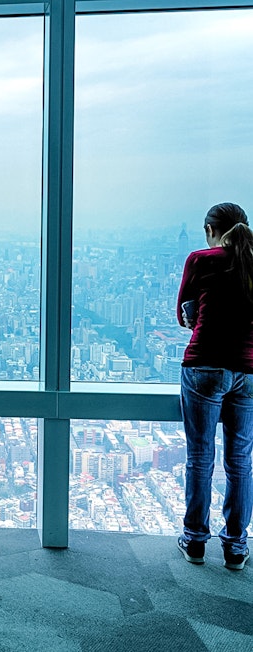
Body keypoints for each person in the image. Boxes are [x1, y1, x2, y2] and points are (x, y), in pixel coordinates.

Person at [176, 202, 253, 571]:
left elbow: (184, 315)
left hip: (204, 364)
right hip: (250, 370)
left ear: (210, 230)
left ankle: (194, 542)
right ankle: (236, 547)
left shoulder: (200, 259)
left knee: (200, 457)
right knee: (240, 461)